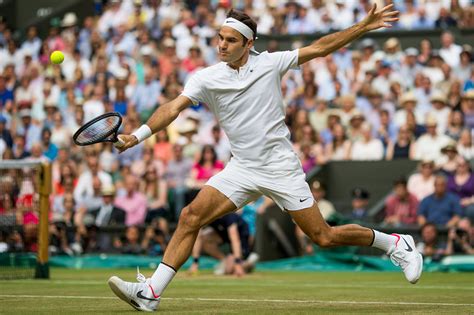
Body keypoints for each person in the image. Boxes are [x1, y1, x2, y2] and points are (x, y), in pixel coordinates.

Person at [108, 7, 422, 312]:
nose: (222, 44)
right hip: (241, 168)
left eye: (231, 40)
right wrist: (137, 136)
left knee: (323, 236)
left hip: (279, 168)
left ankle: (395, 244)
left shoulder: (272, 63)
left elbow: (320, 48)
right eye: (220, 37)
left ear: (249, 43)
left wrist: (362, 27)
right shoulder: (205, 77)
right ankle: (151, 292)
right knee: (191, 216)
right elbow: (173, 107)